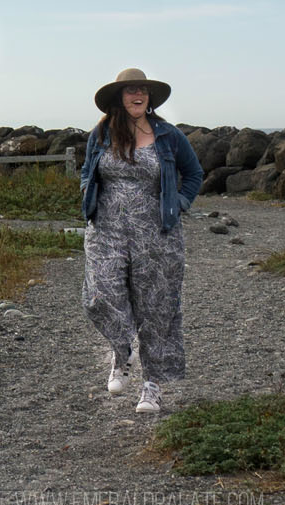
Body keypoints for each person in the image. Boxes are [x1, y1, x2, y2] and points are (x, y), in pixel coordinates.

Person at [79, 67, 203, 414]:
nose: (138, 95)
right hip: (106, 230)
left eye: (143, 91)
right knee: (99, 294)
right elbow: (88, 170)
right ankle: (123, 353)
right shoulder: (102, 132)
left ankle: (152, 386)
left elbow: (193, 173)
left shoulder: (169, 136)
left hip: (158, 235)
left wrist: (180, 203)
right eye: (131, 90)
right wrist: (86, 192)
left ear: (149, 98)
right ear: (119, 97)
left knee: (157, 308)